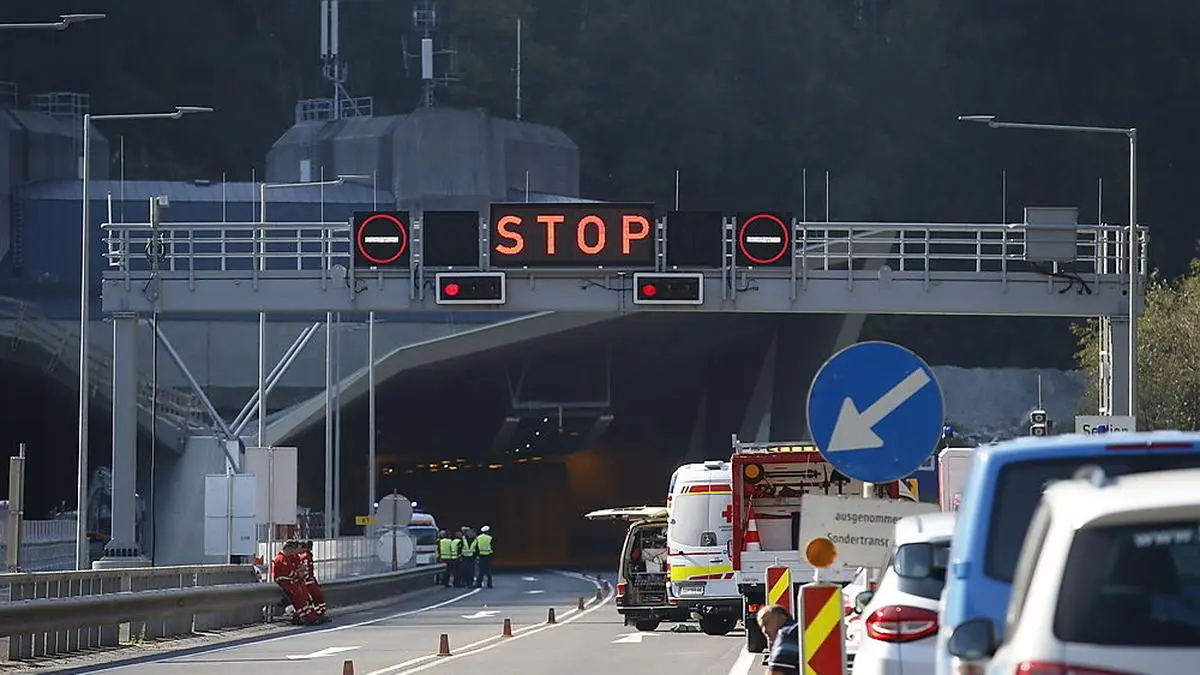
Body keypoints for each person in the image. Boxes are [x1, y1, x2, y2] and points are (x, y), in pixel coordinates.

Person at [272, 541, 319, 625]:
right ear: (288, 548)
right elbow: (289, 572)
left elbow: (296, 570)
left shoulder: (289, 557)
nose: (293, 552)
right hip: (285, 582)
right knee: (298, 598)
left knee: (302, 598)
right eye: (292, 549)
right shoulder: (281, 558)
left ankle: (308, 616)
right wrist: (298, 573)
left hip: (292, 581)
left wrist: (298, 573)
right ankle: (304, 617)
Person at [756, 604, 799, 673]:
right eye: (761, 627)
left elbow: (776, 672)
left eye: (766, 623)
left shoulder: (787, 634)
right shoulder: (798, 630)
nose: (764, 630)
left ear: (782, 618)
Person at [298, 541, 328, 620]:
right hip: (308, 581)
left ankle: (318, 613)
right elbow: (306, 570)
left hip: (309, 580)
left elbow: (307, 570)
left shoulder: (306, 556)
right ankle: (317, 613)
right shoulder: (306, 556)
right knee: (314, 597)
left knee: (315, 597)